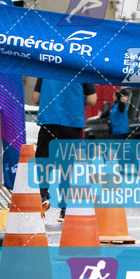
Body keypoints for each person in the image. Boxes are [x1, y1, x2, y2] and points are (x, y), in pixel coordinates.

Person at [34, 78, 97, 220]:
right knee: (67, 165)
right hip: (72, 122)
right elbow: (92, 100)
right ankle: (65, 208)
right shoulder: (80, 66)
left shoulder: (46, 65)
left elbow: (36, 98)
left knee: (44, 162)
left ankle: (41, 200)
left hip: (49, 121)